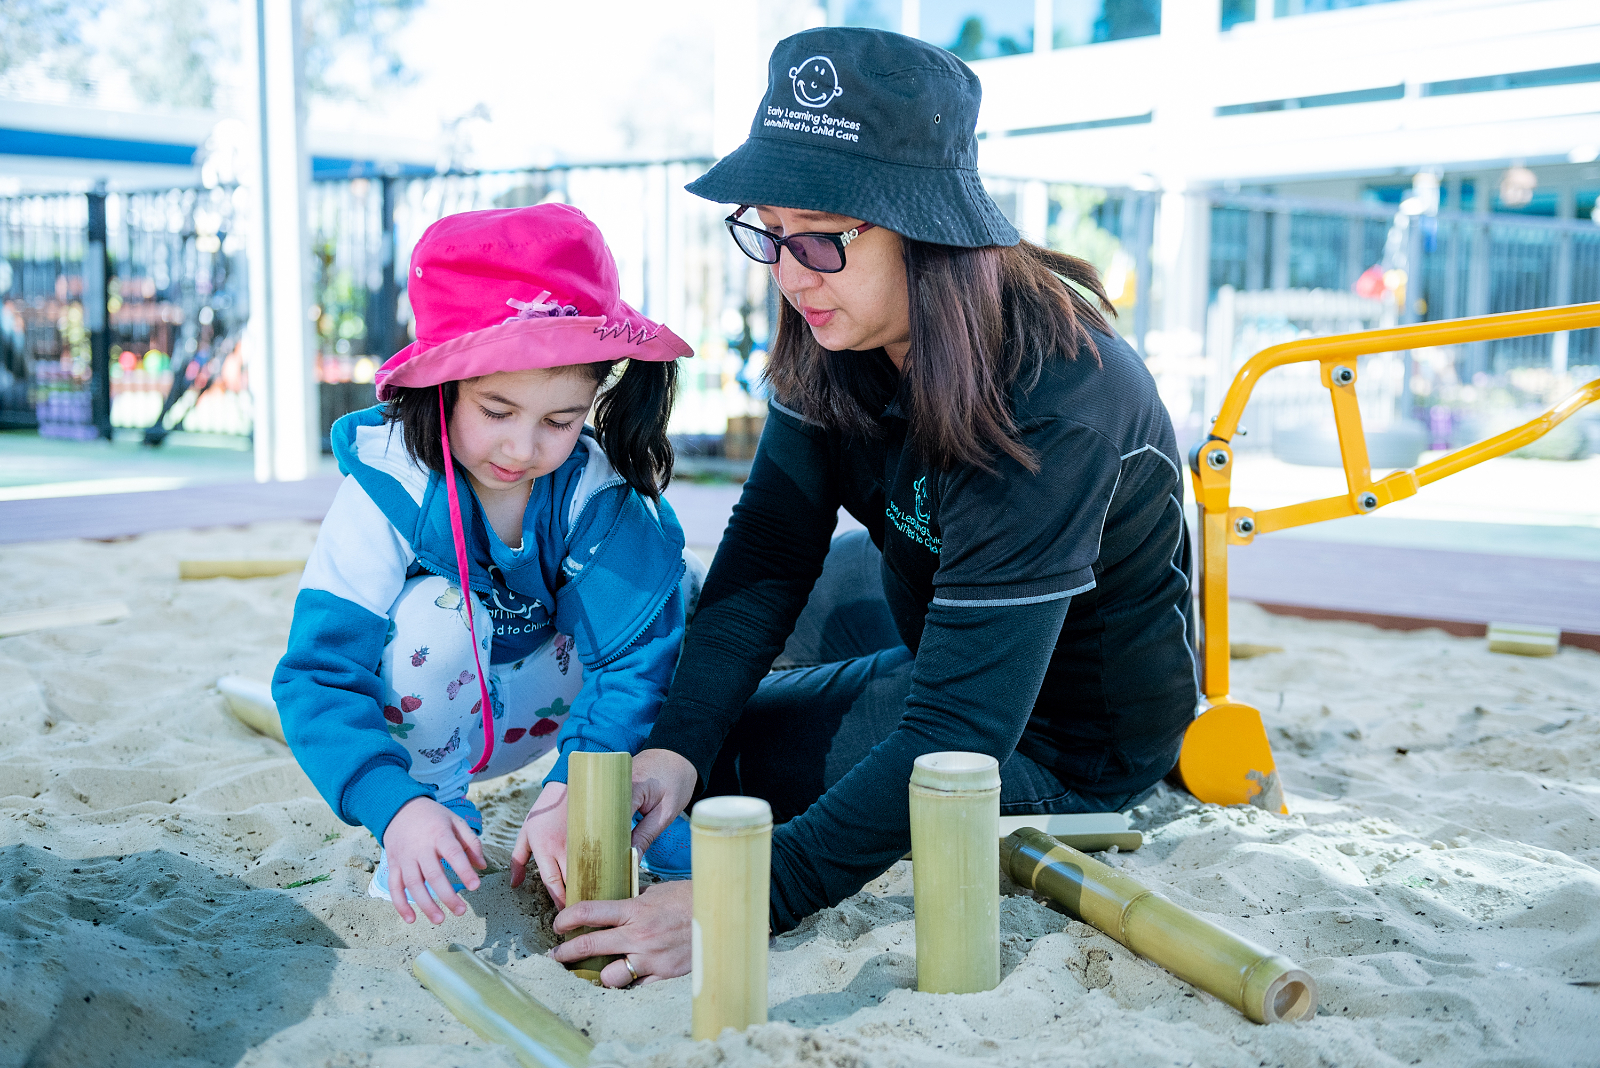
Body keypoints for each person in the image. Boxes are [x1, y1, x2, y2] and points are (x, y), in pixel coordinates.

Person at [546, 27, 1198, 987]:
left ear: (930, 230)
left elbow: (954, 736)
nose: (788, 271)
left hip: (1060, 734)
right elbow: (769, 551)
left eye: (818, 238)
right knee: (693, 716)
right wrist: (674, 748)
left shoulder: (1063, 400)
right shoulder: (832, 322)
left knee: (743, 774)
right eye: (766, 231)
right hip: (938, 617)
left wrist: (740, 902)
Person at [273, 203, 699, 925]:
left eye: (560, 421)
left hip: (552, 705)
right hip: (433, 718)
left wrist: (575, 788)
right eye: (497, 410)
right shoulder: (388, 490)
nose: (523, 449)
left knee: (672, 594)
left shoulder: (591, 492)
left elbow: (635, 663)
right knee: (434, 615)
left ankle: (632, 817)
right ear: (441, 386)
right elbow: (316, 676)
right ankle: (434, 823)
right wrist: (394, 806)